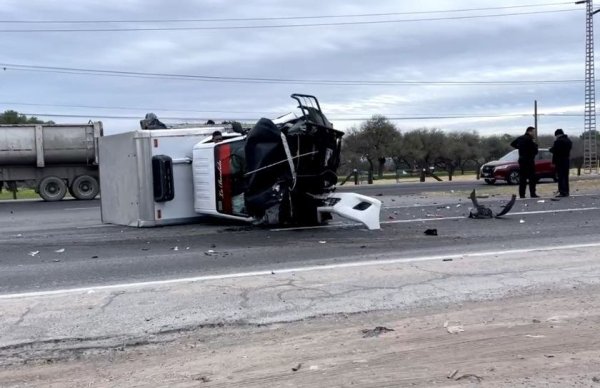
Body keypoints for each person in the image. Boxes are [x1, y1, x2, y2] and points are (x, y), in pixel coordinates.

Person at [510, 126, 539, 198]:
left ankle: (522, 194)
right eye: (533, 132)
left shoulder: (520, 138)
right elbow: (535, 151)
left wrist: (519, 147)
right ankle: (533, 193)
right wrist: (535, 145)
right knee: (532, 178)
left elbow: (512, 144)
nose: (534, 134)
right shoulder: (530, 140)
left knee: (523, 178)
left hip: (522, 160)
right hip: (529, 160)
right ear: (530, 131)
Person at [549, 128, 572, 197]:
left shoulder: (558, 141)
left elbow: (555, 152)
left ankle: (562, 191)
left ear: (558, 135)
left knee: (561, 177)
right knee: (566, 176)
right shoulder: (568, 141)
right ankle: (566, 191)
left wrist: (550, 150)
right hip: (566, 160)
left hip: (560, 161)